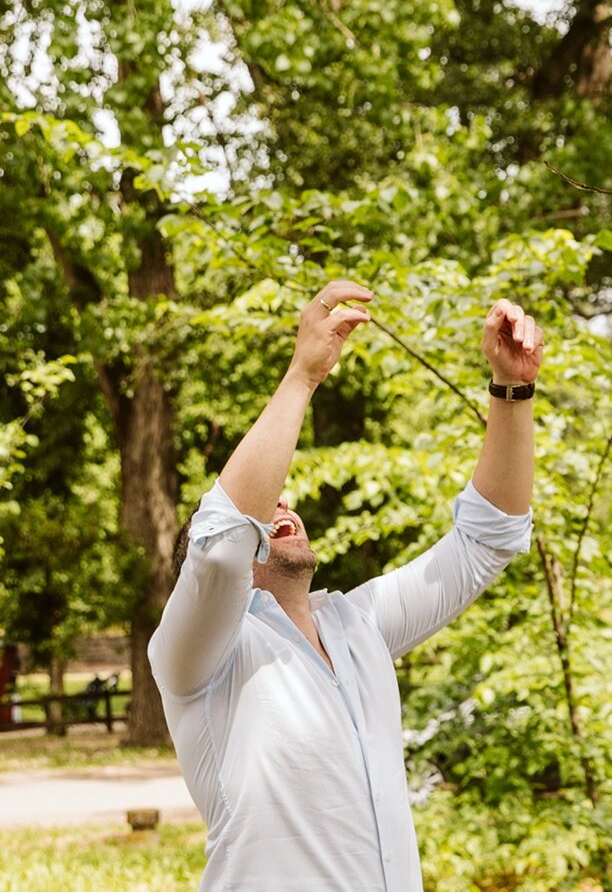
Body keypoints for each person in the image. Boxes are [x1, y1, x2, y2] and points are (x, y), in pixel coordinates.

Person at [148, 278, 542, 892]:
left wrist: (513, 389)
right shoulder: (196, 659)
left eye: (283, 496)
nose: (280, 501)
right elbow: (222, 547)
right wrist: (304, 375)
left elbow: (486, 541)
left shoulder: (359, 626)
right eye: (263, 507)